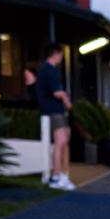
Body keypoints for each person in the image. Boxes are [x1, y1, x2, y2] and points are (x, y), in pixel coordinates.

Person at [36, 42, 76, 191]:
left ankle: (63, 175)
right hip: (53, 110)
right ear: (55, 54)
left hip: (57, 110)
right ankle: (55, 176)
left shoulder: (49, 70)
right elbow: (56, 92)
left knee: (65, 142)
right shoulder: (49, 70)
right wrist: (66, 101)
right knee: (60, 142)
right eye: (60, 54)